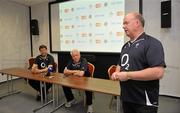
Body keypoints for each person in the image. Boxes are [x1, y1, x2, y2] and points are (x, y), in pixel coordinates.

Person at [111, 12, 166, 113]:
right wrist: (116, 73)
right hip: (126, 98)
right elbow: (120, 66)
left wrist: (127, 75)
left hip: (144, 102)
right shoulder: (125, 46)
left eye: (126, 23)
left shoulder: (152, 43)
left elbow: (158, 72)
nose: (123, 26)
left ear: (137, 23)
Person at [62, 49, 93, 113]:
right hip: (75, 79)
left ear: (79, 55)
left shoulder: (83, 60)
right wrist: (76, 71)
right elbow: (65, 72)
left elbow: (81, 74)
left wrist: (70, 72)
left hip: (86, 79)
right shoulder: (71, 61)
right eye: (73, 56)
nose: (75, 57)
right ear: (72, 57)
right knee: (64, 84)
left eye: (76, 55)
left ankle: (89, 105)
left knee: (88, 88)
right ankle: (71, 99)